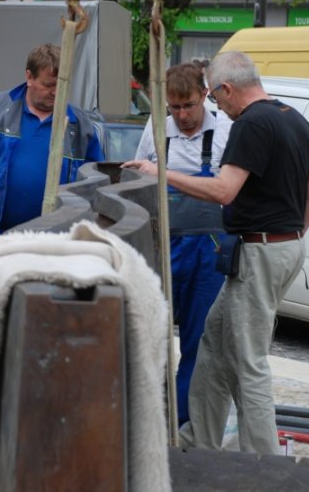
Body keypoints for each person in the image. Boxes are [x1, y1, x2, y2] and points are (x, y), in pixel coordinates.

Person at [123, 51, 309, 454]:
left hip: (260, 251)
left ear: (226, 89)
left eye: (215, 98)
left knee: (249, 363)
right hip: (278, 247)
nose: (218, 107)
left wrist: (161, 172)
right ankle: (199, 439)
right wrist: (291, 237)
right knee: (213, 346)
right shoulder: (292, 117)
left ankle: (262, 462)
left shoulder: (250, 123)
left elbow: (223, 190)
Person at [0, 43, 105, 270]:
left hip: (54, 245)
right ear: (29, 77)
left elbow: (96, 183)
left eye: (62, 85)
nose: (56, 92)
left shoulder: (79, 125)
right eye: (49, 85)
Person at [133, 62, 232, 426]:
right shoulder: (157, 127)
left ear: (204, 95)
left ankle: (184, 425)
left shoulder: (225, 130)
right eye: (174, 107)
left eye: (188, 105)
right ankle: (148, 418)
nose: (182, 115)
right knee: (149, 334)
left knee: (198, 340)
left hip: (208, 250)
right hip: (163, 244)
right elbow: (137, 177)